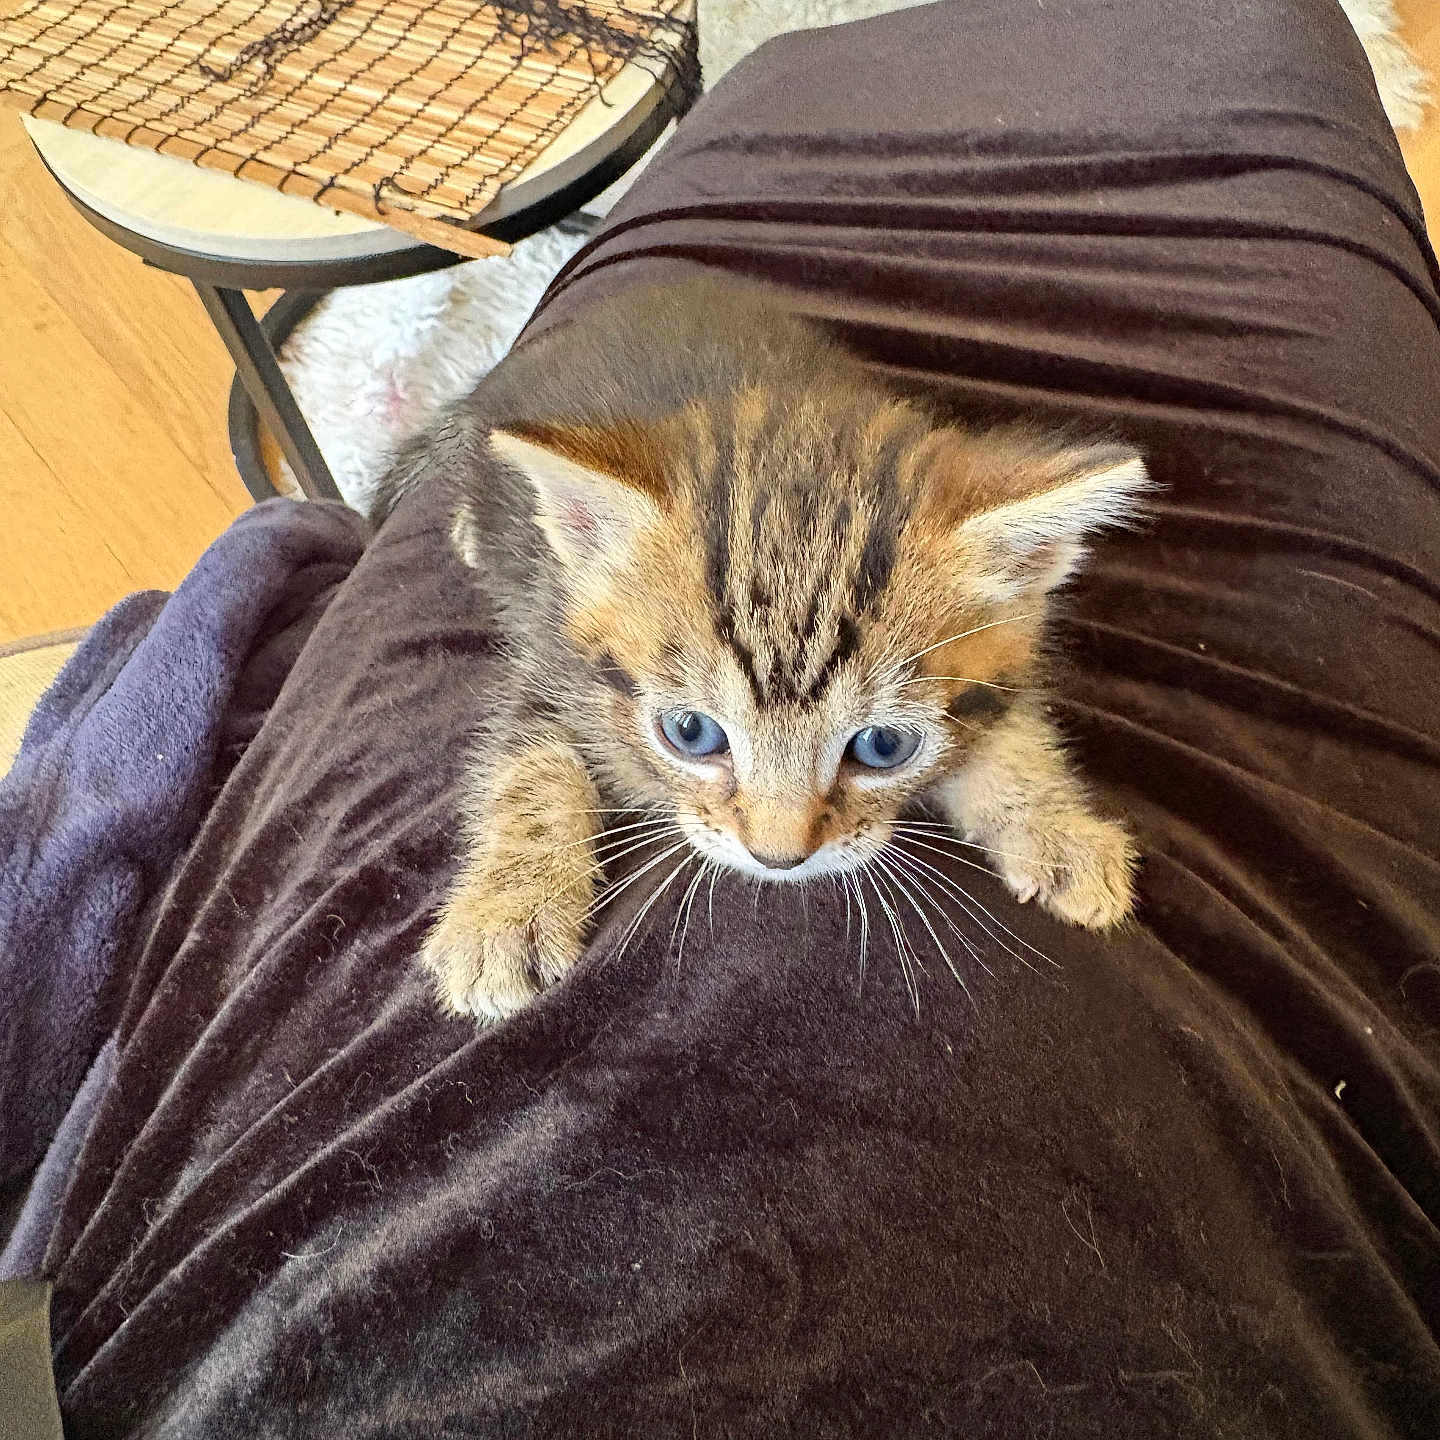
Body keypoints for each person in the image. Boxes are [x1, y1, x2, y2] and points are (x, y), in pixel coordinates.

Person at [13, 1, 1440, 1432]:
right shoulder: (612, 542)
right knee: (486, 524)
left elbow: (991, 706)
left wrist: (1032, 807)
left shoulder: (971, 570)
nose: (776, 835)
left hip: (744, 379)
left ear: (1030, 568)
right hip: (603, 415)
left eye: (873, 751)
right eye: (698, 738)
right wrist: (523, 866)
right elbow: (549, 718)